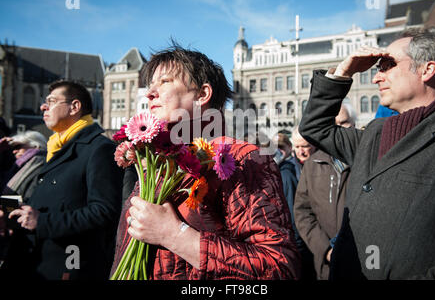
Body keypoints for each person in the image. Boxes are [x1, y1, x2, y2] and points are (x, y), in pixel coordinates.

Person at [110, 44, 301, 280]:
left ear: (202, 95)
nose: (150, 93)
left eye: (165, 81)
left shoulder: (242, 159)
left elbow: (279, 268)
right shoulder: (156, 162)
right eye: (151, 85)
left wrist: (174, 235)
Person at [299, 28, 435, 280]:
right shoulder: (375, 133)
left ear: (427, 70)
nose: (376, 77)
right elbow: (315, 127)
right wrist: (343, 73)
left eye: (388, 66)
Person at [0, 80, 124, 280]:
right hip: (34, 260)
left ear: (74, 107)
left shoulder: (99, 148)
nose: (43, 106)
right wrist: (13, 214)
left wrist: (42, 222)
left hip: (66, 267)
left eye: (52, 101)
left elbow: (105, 211)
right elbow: (55, 200)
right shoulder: (57, 146)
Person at [294, 103, 355, 280]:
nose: (339, 130)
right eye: (333, 124)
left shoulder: (368, 160)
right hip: (327, 267)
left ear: (354, 124)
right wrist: (326, 249)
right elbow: (302, 212)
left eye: (344, 123)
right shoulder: (313, 164)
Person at [1, 131, 47, 200]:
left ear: (36, 146)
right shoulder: (17, 166)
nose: (14, 151)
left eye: (18, 146)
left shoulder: (39, 163)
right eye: (13, 148)